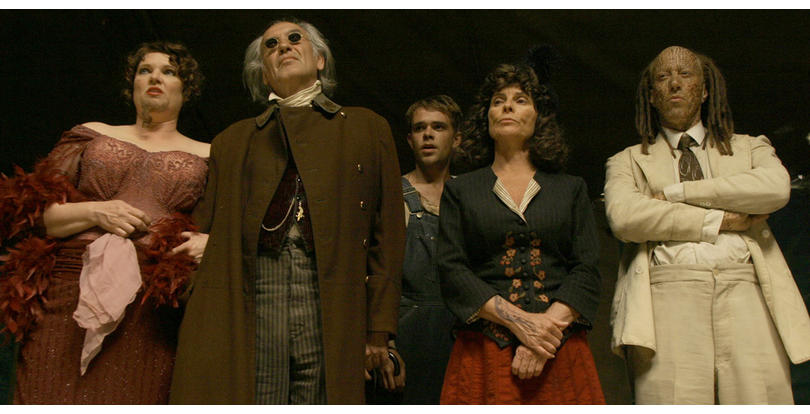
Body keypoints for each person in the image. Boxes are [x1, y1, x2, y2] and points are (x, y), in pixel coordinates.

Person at [169, 18, 405, 404]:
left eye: (295, 39)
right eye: (271, 45)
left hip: (333, 294)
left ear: (320, 60)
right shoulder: (232, 141)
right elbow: (201, 227)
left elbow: (388, 234)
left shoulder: (367, 128)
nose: (283, 46)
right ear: (264, 73)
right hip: (256, 290)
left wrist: (379, 328)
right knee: (259, 396)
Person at [0, 41, 208, 404]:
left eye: (168, 71)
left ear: (186, 88)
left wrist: (211, 241)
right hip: (69, 289)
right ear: (132, 83)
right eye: (145, 70)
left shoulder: (211, 154)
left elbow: (230, 224)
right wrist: (97, 212)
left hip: (150, 305)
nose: (155, 77)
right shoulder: (91, 133)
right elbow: (37, 218)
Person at [605, 46, 810, 404]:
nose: (674, 84)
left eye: (685, 74)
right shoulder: (627, 161)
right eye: (663, 77)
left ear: (703, 90)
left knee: (759, 401)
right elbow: (625, 218)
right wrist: (719, 220)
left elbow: (775, 189)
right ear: (651, 96)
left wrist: (677, 193)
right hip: (668, 297)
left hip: (747, 293)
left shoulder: (749, 148)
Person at [437, 59, 605, 404]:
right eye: (498, 101)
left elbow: (586, 269)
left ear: (538, 117)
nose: (507, 107)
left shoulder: (570, 188)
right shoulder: (461, 190)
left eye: (520, 100)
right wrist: (519, 323)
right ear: (486, 118)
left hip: (559, 348)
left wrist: (542, 335)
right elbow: (452, 270)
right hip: (485, 349)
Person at [379, 95, 461, 404]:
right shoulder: (391, 196)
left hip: (461, 341)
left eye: (438, 127)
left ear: (456, 138)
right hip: (406, 341)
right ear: (410, 140)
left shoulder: (470, 198)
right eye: (420, 128)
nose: (428, 134)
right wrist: (383, 345)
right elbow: (372, 276)